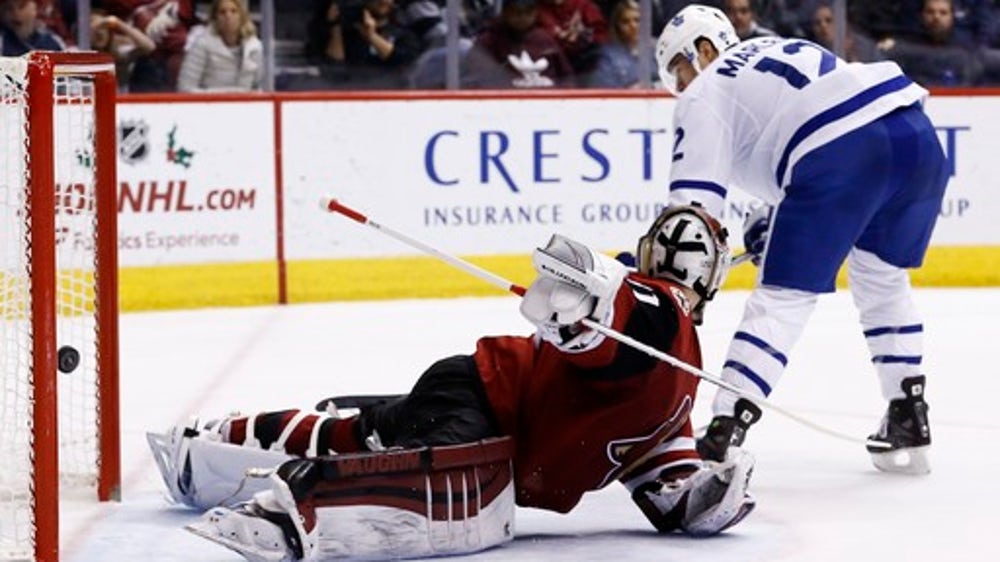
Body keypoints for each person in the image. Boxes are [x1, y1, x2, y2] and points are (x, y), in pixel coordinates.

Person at [147, 205, 756, 561]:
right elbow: (632, 305)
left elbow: (666, 481)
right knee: (454, 486)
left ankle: (225, 432)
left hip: (473, 393)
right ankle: (289, 512)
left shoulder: (675, 403)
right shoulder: (667, 313)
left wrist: (707, 493)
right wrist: (593, 301)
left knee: (359, 433)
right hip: (483, 397)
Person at [655, 5, 948, 475]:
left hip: (841, 151)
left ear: (704, 49)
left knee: (781, 299)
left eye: (680, 70)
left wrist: (663, 285)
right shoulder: (773, 50)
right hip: (915, 136)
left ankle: (724, 430)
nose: (681, 86)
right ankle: (908, 411)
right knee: (882, 280)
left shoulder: (706, 90)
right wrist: (771, 219)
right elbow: (797, 141)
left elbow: (688, 220)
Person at [176, 0, 263, 92]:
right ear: (215, 18)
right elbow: (185, 88)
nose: (228, 16)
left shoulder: (255, 47)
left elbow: (259, 87)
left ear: (242, 16)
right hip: (208, 105)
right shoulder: (202, 44)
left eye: (234, 11)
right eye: (222, 12)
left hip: (246, 105)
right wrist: (221, 97)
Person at [587, 0, 654, 88]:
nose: (633, 26)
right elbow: (606, 90)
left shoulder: (657, 49)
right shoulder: (608, 56)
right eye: (625, 22)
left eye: (637, 20)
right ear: (617, 26)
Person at [90, 8, 156, 92]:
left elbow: (149, 47)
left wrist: (118, 23)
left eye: (103, 27)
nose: (99, 33)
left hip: (123, 98)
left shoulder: (118, 49)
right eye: (93, 30)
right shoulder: (80, 52)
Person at [0, 0, 65, 56]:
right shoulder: (2, 41)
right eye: (8, 8)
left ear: (36, 8)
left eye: (21, 6)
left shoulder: (53, 41)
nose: (15, 13)